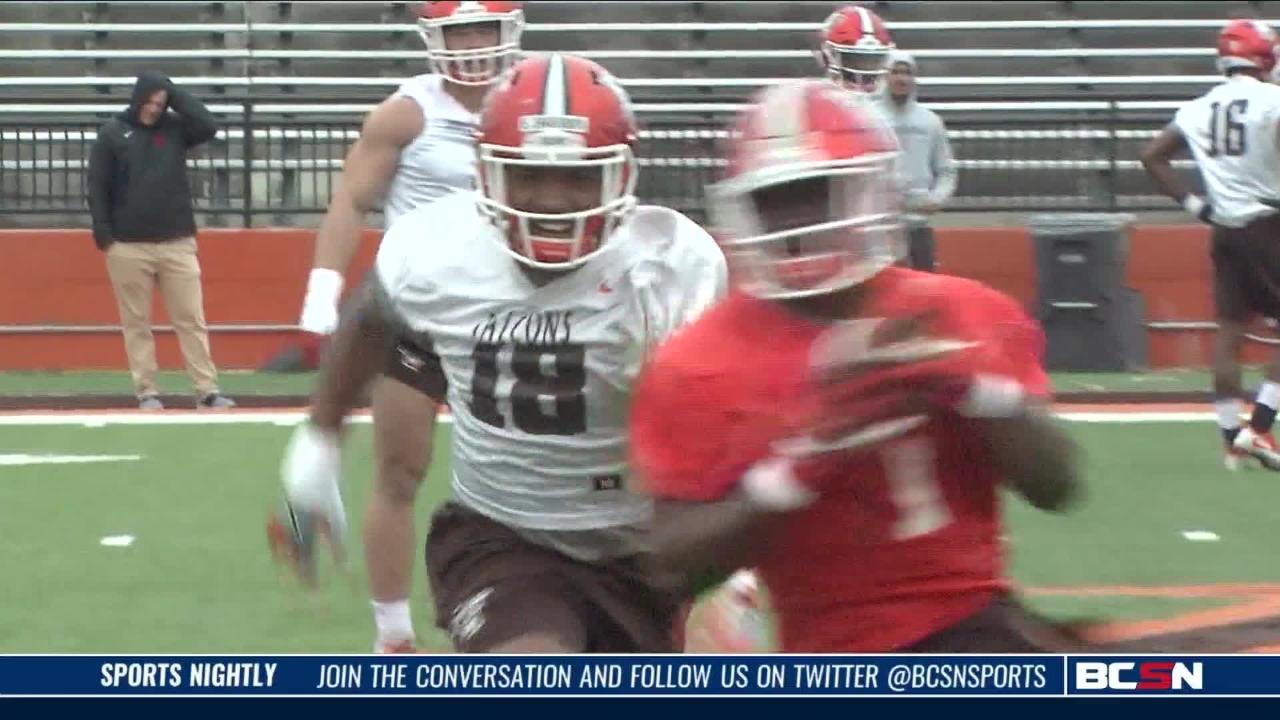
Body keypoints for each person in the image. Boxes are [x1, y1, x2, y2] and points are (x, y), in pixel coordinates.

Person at [272, 53, 728, 654]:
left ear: (622, 177)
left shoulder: (674, 265)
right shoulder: (436, 250)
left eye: (579, 176)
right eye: (530, 174)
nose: (554, 199)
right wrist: (318, 446)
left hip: (646, 548)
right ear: (487, 174)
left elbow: (723, 423)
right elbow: (370, 319)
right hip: (503, 539)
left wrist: (729, 577)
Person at [629, 79, 1083, 653]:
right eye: (776, 200)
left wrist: (972, 387)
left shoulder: (961, 312)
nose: (799, 219)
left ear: (869, 190)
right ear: (742, 209)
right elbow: (672, 565)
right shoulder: (700, 363)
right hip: (828, 647)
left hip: (971, 624)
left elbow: (1058, 486)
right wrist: (800, 465)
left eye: (818, 192)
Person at [269, 1, 525, 653]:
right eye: (458, 30)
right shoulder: (408, 110)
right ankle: (392, 636)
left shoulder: (534, 100)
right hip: (416, 312)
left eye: (482, 29)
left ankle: (527, 605)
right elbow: (353, 196)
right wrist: (323, 288)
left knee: (523, 472)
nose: (471, 45)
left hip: (508, 314)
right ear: (433, 37)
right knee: (400, 469)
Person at [1140, 18, 1280, 472]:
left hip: (1223, 227)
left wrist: (1196, 206)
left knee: (1229, 335)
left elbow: (1152, 155)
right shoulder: (1271, 99)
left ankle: (1230, 442)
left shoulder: (1199, 106)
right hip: (1267, 223)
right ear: (1263, 55)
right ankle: (1259, 427)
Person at [87, 71, 235, 410]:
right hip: (127, 245)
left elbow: (208, 125)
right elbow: (97, 187)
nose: (154, 109)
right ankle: (147, 391)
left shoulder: (175, 129)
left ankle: (207, 390)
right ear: (137, 98)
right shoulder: (112, 135)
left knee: (191, 319)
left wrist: (174, 93)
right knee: (136, 322)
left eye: (160, 102)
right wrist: (105, 235)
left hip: (177, 241)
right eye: (150, 101)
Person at [878, 50, 957, 272]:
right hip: (881, 228)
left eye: (906, 73)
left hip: (919, 225)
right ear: (886, 76)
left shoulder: (930, 122)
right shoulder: (870, 118)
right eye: (895, 72)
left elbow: (946, 170)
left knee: (924, 287)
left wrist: (936, 199)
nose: (901, 79)